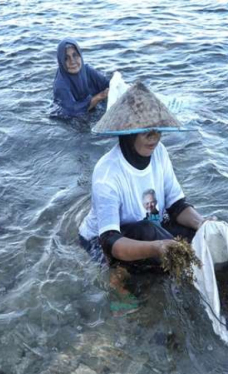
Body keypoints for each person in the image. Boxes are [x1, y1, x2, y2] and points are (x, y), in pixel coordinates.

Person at [78, 82, 212, 315]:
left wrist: (204, 225)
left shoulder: (160, 153)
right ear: (128, 133)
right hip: (105, 242)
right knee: (154, 236)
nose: (154, 137)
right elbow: (111, 241)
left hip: (149, 225)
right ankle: (118, 282)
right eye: (145, 131)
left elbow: (177, 205)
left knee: (197, 236)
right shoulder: (107, 174)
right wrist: (158, 247)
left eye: (158, 130)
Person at [52, 38, 110, 117]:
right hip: (70, 118)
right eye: (66, 58)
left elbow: (107, 84)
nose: (72, 61)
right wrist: (99, 97)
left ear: (80, 55)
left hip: (90, 109)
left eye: (75, 55)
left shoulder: (87, 70)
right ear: (61, 61)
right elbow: (71, 110)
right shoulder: (60, 85)